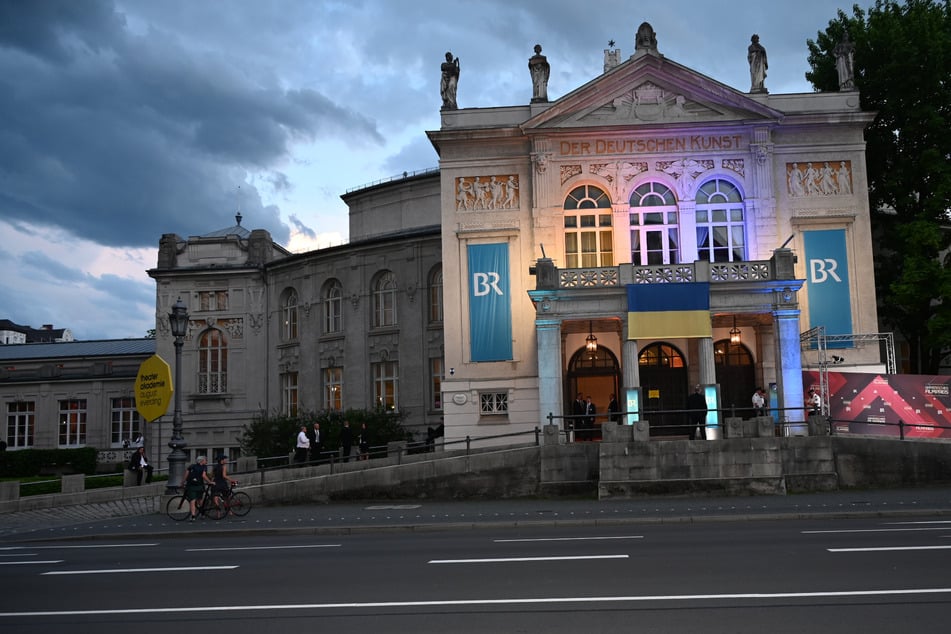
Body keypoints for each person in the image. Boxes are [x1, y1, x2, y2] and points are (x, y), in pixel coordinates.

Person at [181, 456, 213, 521]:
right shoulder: (204, 467)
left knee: (192, 500)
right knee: (200, 500)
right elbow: (203, 476)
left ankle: (193, 516)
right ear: (202, 461)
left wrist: (183, 482)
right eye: (205, 460)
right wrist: (210, 482)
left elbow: (186, 475)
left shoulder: (191, 466)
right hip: (200, 485)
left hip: (191, 486)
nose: (206, 461)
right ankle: (202, 513)